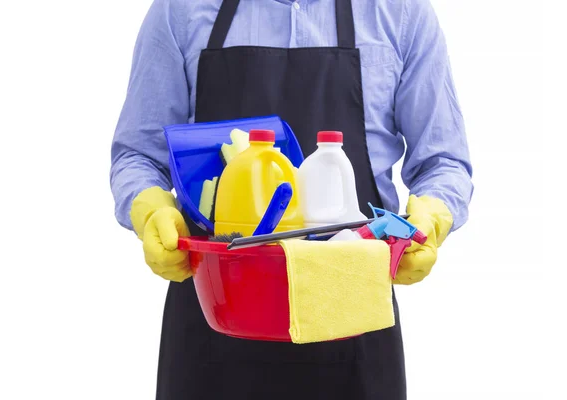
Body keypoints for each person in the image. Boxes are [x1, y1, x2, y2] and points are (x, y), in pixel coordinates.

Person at [110, 0, 473, 398]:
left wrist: (432, 217)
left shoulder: (399, 13)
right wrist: (149, 208)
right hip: (212, 327)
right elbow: (138, 155)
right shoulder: (180, 11)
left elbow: (443, 161)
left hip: (352, 330)